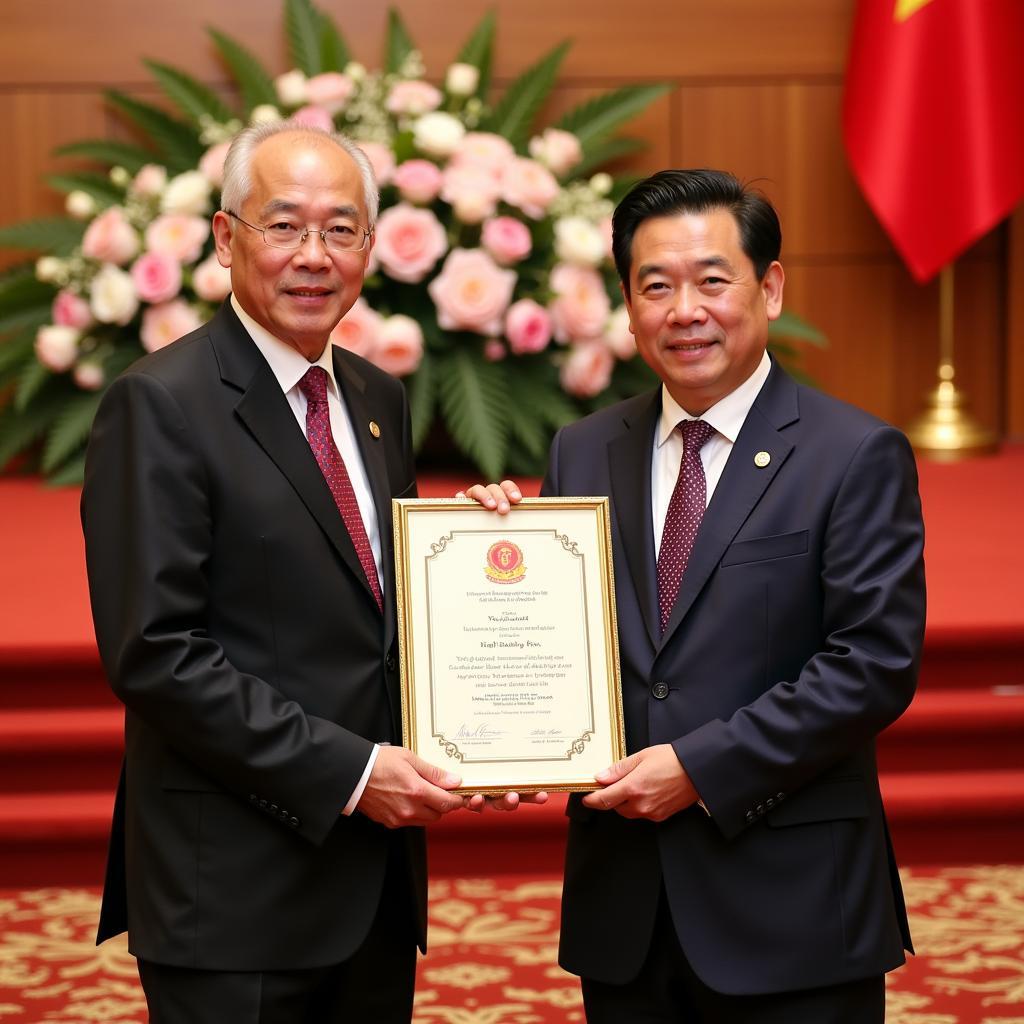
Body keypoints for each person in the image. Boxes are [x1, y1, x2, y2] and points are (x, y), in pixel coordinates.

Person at [81, 121, 514, 1023]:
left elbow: (374, 606)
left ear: (371, 247)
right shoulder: (160, 404)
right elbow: (157, 654)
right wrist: (355, 774)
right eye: (284, 226)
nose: (313, 256)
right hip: (235, 893)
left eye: (341, 229)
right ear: (227, 237)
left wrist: (465, 561)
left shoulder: (373, 396)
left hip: (372, 889)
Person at [483, 168, 926, 1022]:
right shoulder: (582, 452)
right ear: (627, 306)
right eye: (656, 286)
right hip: (627, 911)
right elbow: (553, 638)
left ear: (770, 287)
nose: (685, 310)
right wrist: (490, 547)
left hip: (791, 908)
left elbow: (872, 665)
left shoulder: (852, 453)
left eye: (712, 280)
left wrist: (698, 768)